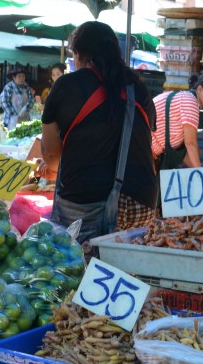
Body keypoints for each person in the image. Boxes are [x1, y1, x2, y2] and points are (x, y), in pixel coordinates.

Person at [39, 21, 157, 243]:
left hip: (86, 204)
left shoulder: (68, 86)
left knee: (79, 262)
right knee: (126, 263)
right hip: (141, 205)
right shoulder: (138, 88)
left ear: (79, 53)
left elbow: (52, 157)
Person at [151, 73, 203, 171]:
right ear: (200, 89)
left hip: (146, 150)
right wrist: (201, 174)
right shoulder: (190, 102)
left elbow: (184, 153)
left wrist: (198, 170)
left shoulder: (187, 98)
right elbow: (190, 144)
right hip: (142, 148)